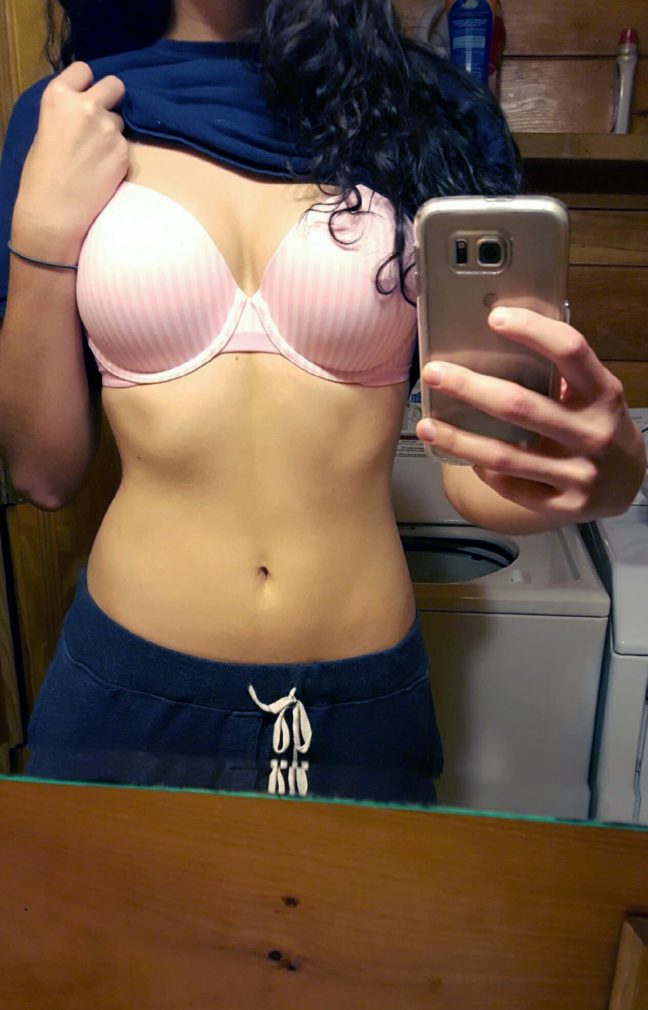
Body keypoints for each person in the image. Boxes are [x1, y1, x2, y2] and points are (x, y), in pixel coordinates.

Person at [0, 1, 644, 804]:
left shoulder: (429, 112)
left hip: (358, 695)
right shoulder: (70, 114)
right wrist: (40, 233)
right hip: (124, 683)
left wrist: (600, 480)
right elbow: (44, 472)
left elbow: (478, 477)